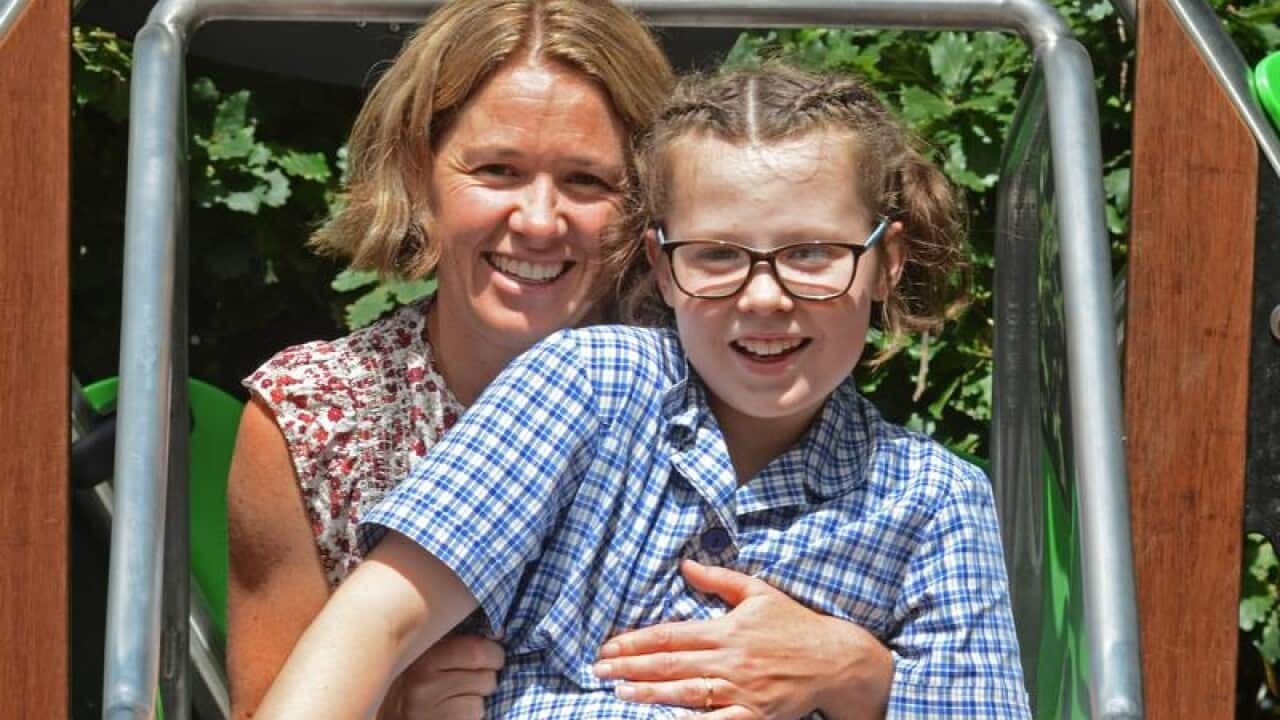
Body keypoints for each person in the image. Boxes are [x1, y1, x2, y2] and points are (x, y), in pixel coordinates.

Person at [254, 64, 1032, 719]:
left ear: (885, 261)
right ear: (661, 266)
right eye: (718, 255)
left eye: (812, 253)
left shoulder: (936, 502)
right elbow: (379, 619)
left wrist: (864, 678)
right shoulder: (588, 383)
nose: (765, 297)